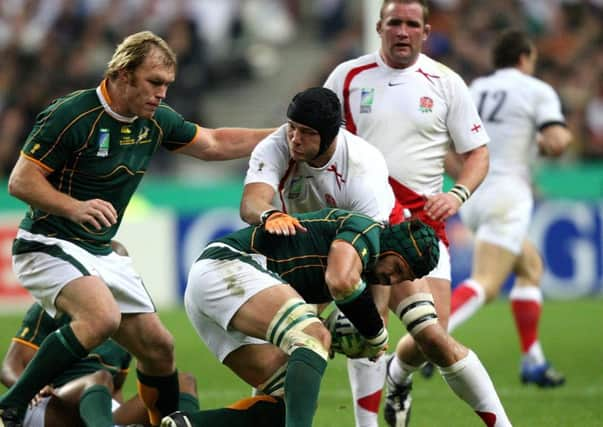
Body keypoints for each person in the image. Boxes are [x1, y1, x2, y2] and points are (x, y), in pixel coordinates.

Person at [1, 30, 273, 427]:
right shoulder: (72, 113)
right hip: (47, 243)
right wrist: (73, 207)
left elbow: (213, 143)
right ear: (123, 75)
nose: (162, 93)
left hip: (99, 251)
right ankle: (11, 405)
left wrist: (283, 136)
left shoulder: (155, 121)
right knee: (101, 319)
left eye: (167, 85)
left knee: (160, 348)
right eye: (154, 82)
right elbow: (20, 181)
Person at [324, 1, 511, 426]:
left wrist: (459, 193)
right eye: (395, 23)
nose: (403, 31)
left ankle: (399, 374)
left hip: (421, 228)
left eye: (412, 24)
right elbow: (321, 142)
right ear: (379, 27)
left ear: (426, 32)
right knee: (367, 331)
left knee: (432, 337)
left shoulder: (446, 83)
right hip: (364, 220)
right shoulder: (347, 77)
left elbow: (478, 152)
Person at [166, 208, 440, 427]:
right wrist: (374, 333)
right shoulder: (366, 229)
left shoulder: (356, 266)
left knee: (287, 404)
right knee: (313, 336)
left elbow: (313, 311)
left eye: (403, 279)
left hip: (212, 295)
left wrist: (334, 337)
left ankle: (187, 424)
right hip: (226, 267)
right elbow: (341, 282)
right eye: (396, 268)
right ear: (391, 248)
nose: (391, 280)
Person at [239, 86, 401, 427]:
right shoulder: (277, 145)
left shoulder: (363, 168)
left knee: (382, 334)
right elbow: (251, 203)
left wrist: (376, 317)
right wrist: (270, 214)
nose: (294, 139)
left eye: (306, 133)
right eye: (291, 127)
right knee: (276, 362)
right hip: (298, 254)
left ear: (329, 136)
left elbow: (374, 251)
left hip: (359, 249)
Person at [446, 29, 571, 387]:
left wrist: (463, 181)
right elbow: (557, 141)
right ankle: (429, 338)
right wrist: (559, 140)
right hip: (508, 193)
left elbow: (445, 145)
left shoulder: (475, 89)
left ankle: (533, 360)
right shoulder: (536, 89)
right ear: (524, 57)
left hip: (474, 192)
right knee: (487, 281)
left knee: (530, 265)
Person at [1, 303, 200, 427]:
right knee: (99, 378)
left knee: (183, 381)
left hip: (96, 409)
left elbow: (117, 388)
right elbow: (10, 366)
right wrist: (29, 389)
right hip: (50, 405)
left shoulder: (128, 324)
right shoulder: (54, 305)